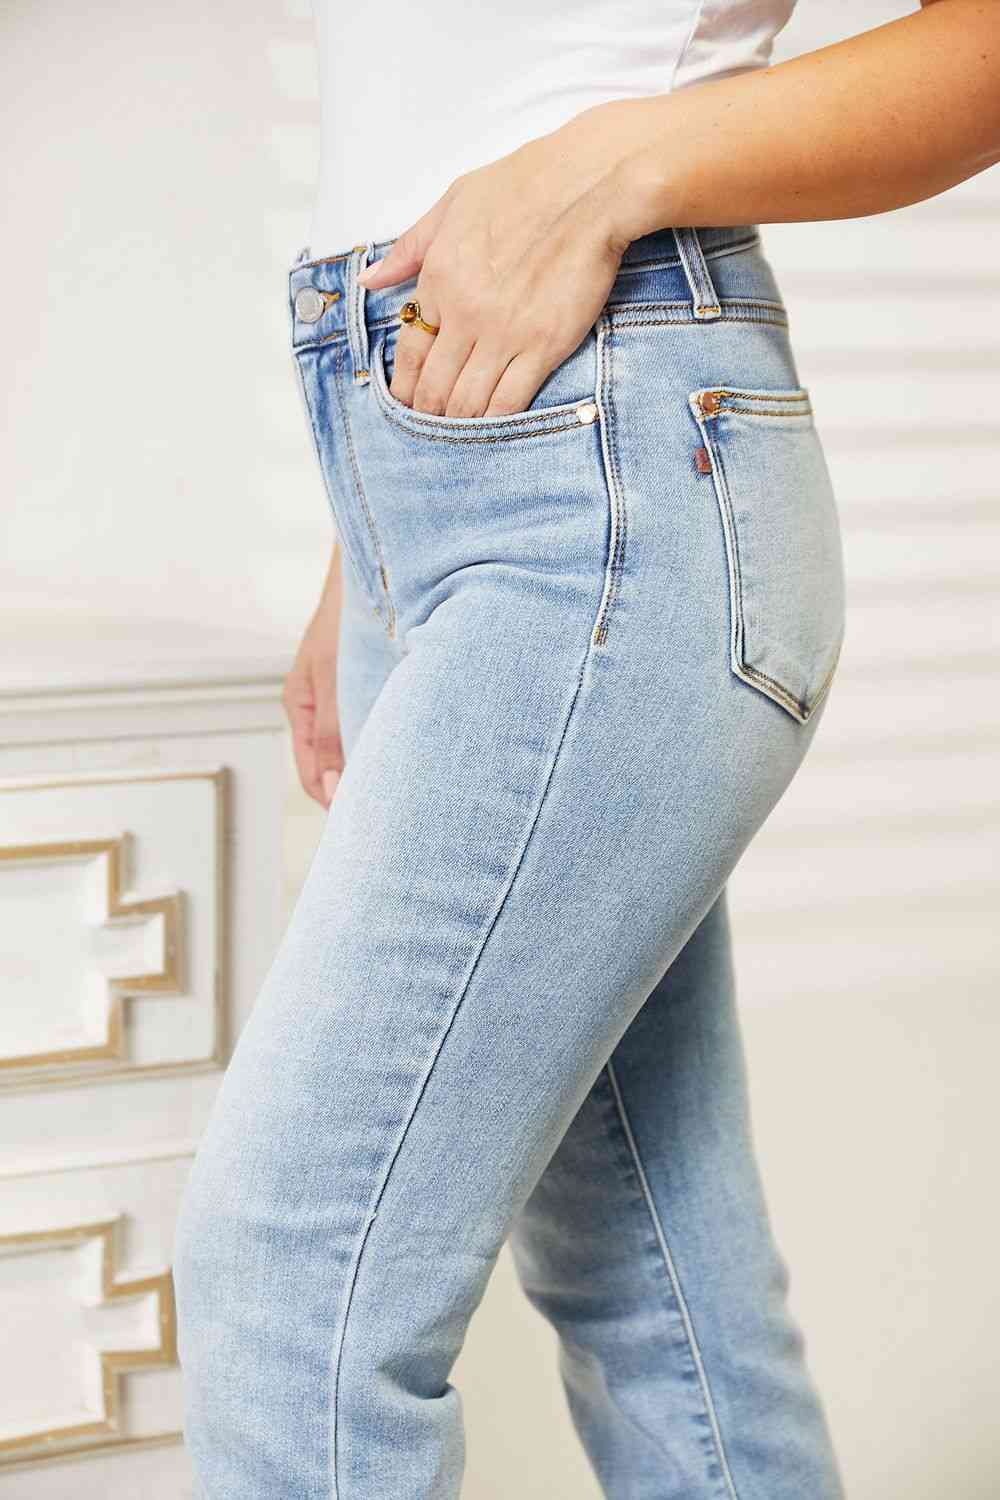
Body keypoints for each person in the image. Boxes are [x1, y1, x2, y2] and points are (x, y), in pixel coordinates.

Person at [172, 3, 999, 1497]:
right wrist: (369, 556)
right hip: (437, 456)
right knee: (656, 1288)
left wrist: (614, 164)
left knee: (297, 1283)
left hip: (610, 469)